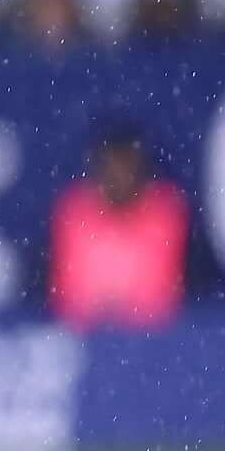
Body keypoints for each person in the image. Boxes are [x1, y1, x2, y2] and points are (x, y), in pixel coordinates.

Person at [49, 119, 196, 328]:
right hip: (85, 341)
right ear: (98, 168)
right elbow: (70, 300)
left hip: (156, 344)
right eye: (112, 166)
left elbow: (159, 300)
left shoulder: (166, 209)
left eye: (127, 166)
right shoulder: (74, 211)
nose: (120, 176)